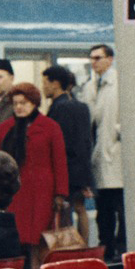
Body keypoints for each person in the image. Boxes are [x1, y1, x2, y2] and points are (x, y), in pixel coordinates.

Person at [0, 82, 68, 256]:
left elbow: (60, 162)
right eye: (15, 103)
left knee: (41, 238)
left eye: (23, 103)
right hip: (14, 191)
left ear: (34, 103)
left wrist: (60, 193)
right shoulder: (5, 128)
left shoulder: (50, 126)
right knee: (16, 236)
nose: (18, 107)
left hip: (42, 192)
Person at [42, 62, 94, 240]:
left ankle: (71, 248)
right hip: (82, 166)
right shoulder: (82, 107)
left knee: (65, 210)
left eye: (45, 83)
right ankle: (84, 247)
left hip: (67, 166)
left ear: (55, 83)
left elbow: (59, 142)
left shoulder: (58, 108)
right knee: (81, 209)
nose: (44, 88)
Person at [86, 43, 125, 254]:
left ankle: (120, 247)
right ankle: (107, 247)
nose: (93, 62)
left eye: (98, 58)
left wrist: (119, 133)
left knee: (120, 207)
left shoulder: (118, 83)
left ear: (110, 59)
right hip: (100, 156)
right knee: (104, 211)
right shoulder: (91, 86)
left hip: (115, 155)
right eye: (91, 58)